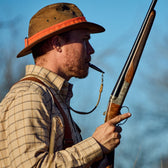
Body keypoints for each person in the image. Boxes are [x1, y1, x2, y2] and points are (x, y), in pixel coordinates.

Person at [0, 3, 131, 168]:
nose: (91, 50)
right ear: (57, 44)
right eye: (84, 40)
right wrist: (96, 144)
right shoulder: (30, 95)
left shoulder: (51, 97)